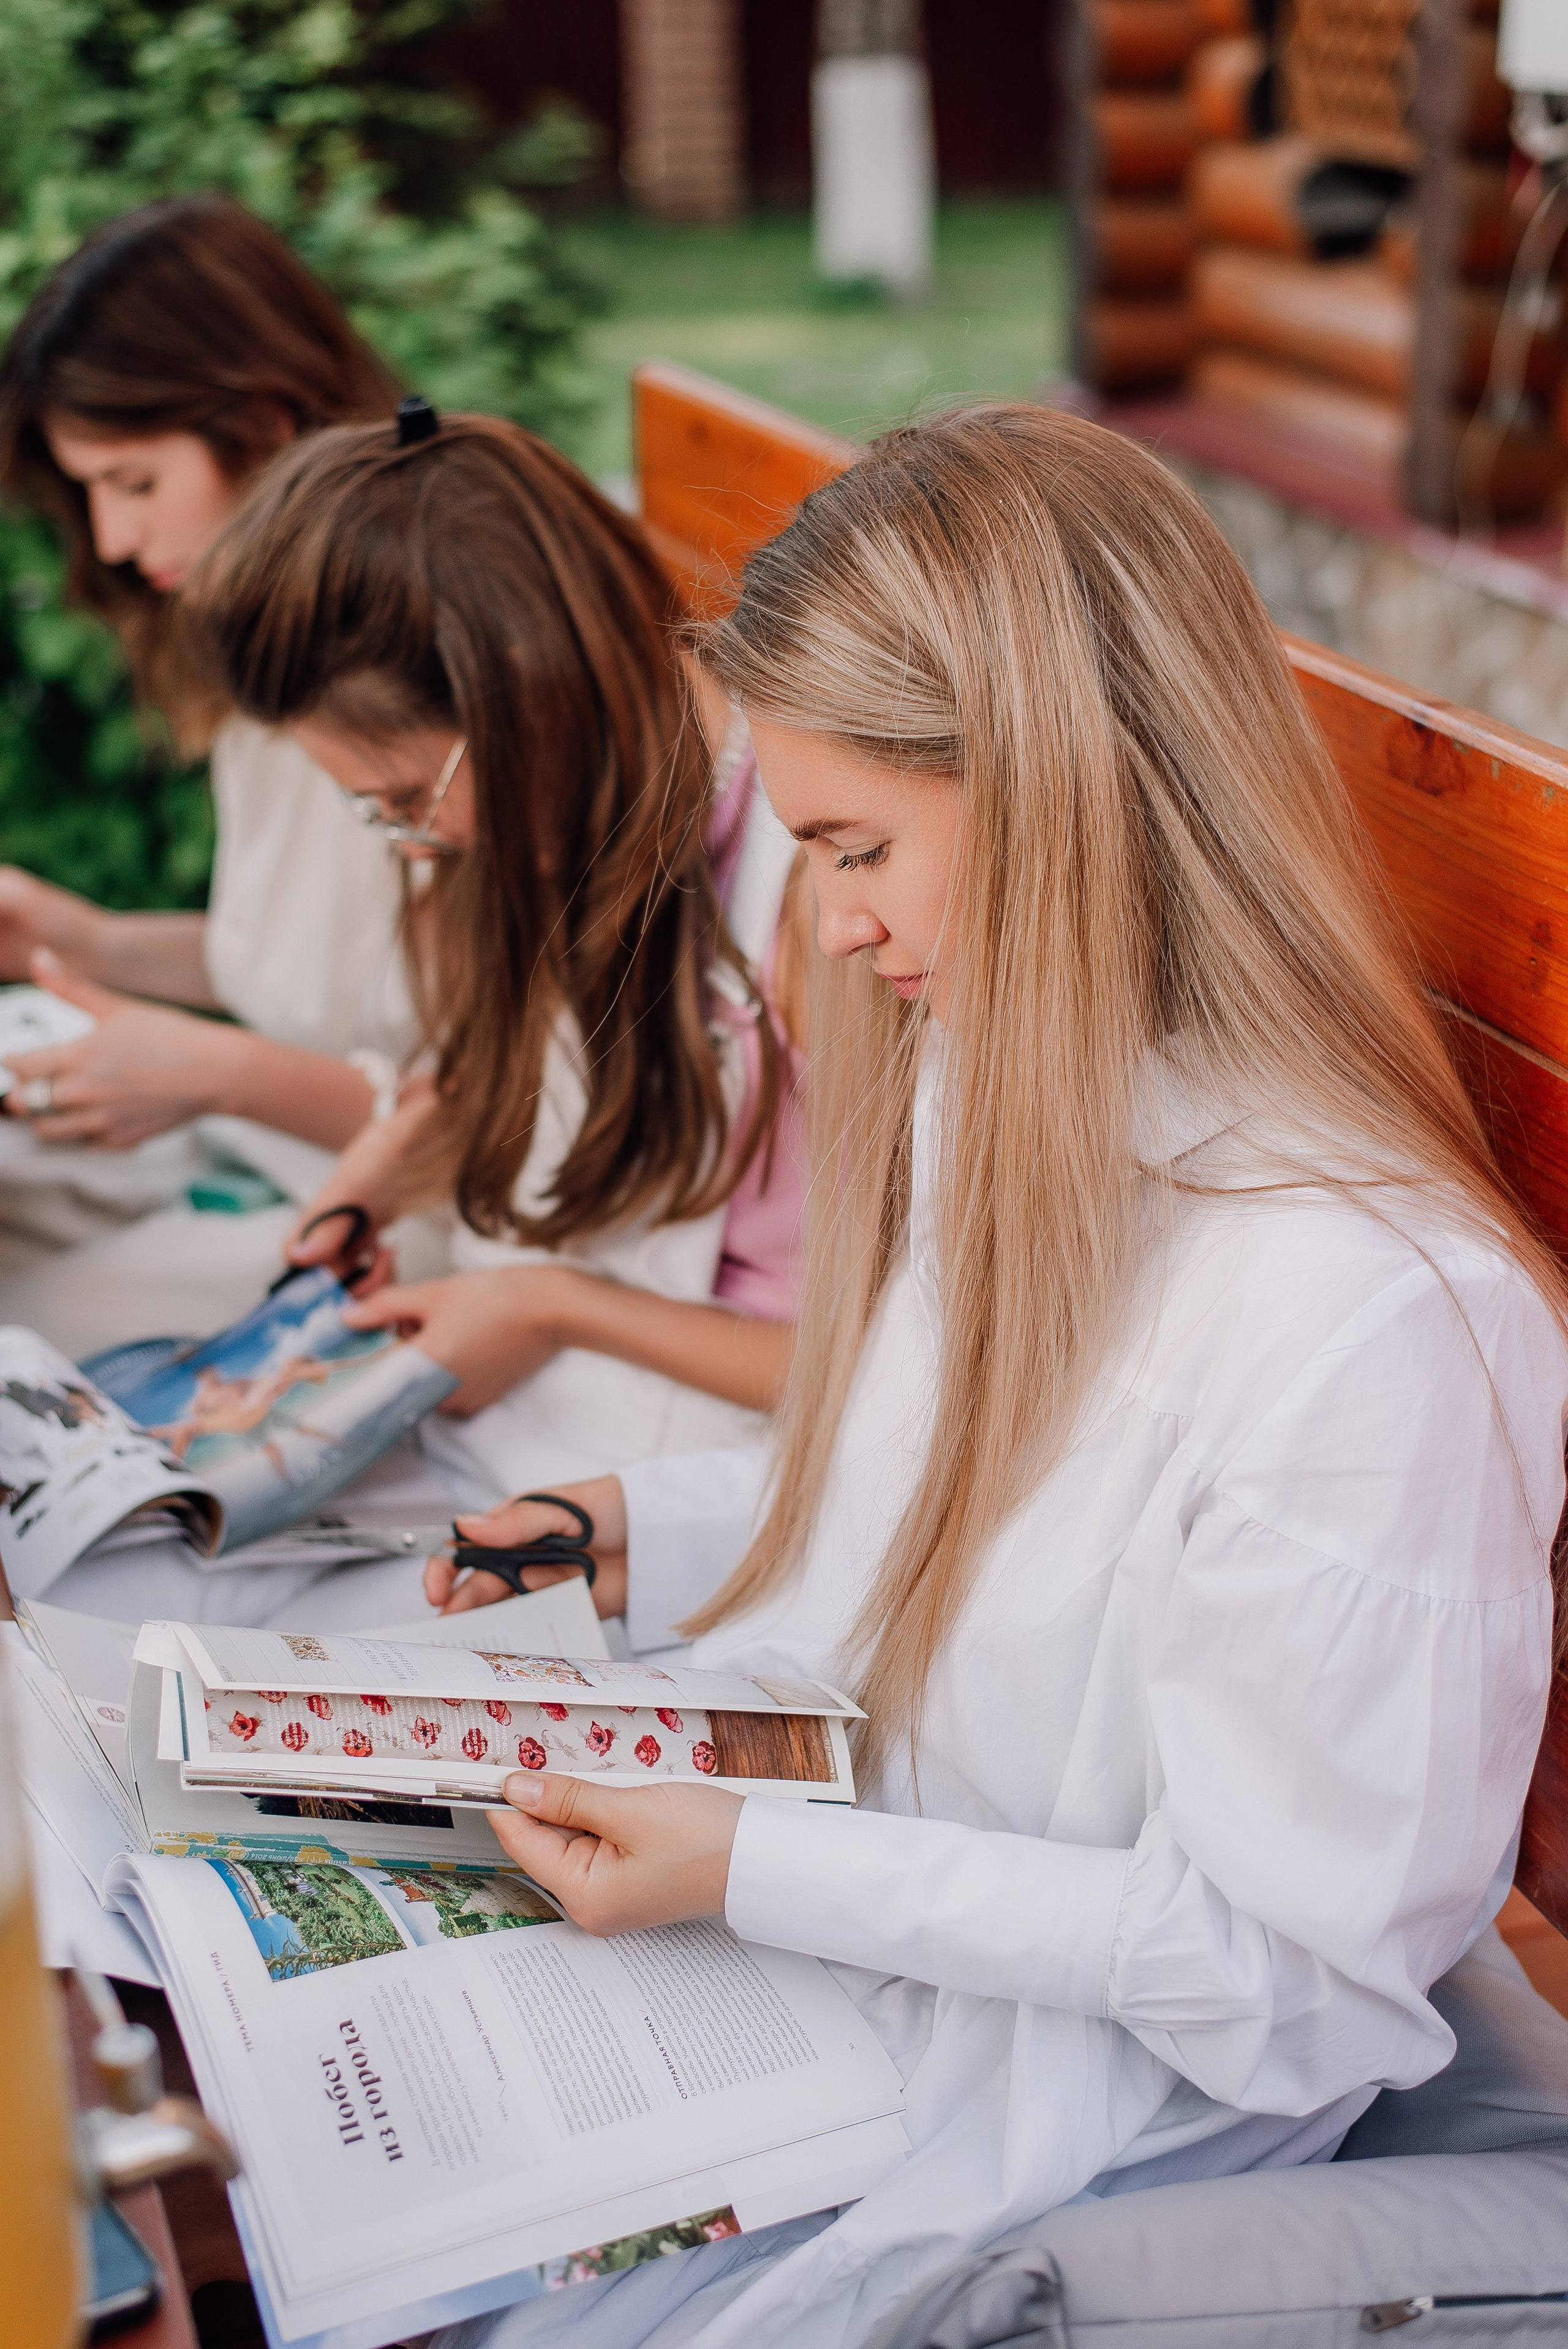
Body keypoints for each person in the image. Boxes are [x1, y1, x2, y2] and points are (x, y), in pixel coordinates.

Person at [417, 404, 1568, 2349]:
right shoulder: (997, 1089)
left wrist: (768, 1864)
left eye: (860, 848)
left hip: (1050, 2114)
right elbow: (958, 1502)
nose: (839, 932)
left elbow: (1294, 1979)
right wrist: (660, 1521)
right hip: (848, 1961)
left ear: (1065, 797)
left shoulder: (1364, 1322)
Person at [43, 409, 805, 1629]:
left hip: (704, 1496)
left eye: (407, 799)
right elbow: (541, 1080)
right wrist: (391, 1165)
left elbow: (912, 1385)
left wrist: (553, 1307)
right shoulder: (582, 813)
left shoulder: (819, 898)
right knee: (84, 1580)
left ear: (524, 699)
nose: (423, 845)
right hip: (541, 1435)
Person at [0, 193, 415, 1349]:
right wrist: (78, 941)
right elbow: (324, 967)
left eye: (134, 482)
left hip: (386, 1225)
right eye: (92, 493)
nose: (117, 542)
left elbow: (496, 1117)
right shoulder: (274, 644)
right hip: (261, 1161)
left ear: (268, 423)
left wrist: (214, 1072)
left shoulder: (407, 692)